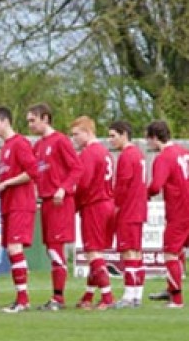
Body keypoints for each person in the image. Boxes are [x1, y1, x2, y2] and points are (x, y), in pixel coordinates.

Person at [26, 103, 83, 311]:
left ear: (45, 118)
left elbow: (77, 168)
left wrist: (63, 189)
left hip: (60, 202)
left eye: (33, 120)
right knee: (51, 248)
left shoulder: (60, 141)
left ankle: (58, 298)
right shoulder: (38, 145)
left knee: (56, 248)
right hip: (46, 202)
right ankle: (56, 297)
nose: (30, 125)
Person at [0, 106, 39, 313]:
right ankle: (20, 298)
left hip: (21, 203)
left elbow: (33, 171)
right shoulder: (6, 146)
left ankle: (23, 299)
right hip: (9, 203)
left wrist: (7, 183)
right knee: (11, 250)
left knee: (14, 248)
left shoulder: (19, 143)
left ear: (5, 121)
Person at [70, 116, 116, 310]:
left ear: (88, 132)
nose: (74, 139)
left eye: (76, 134)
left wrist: (72, 203)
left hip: (94, 205)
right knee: (96, 252)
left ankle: (107, 297)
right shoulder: (106, 153)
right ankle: (88, 295)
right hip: (108, 203)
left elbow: (83, 183)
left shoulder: (89, 153)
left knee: (93, 252)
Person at [145, 120, 189, 309]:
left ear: (155, 138)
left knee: (170, 253)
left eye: (148, 139)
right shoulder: (183, 152)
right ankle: (171, 288)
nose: (148, 144)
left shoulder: (164, 157)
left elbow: (155, 186)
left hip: (179, 211)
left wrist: (142, 195)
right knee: (178, 251)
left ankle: (177, 300)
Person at [108, 120, 147, 308]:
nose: (110, 140)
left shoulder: (126, 156)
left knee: (129, 252)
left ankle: (129, 295)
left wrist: (116, 205)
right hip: (139, 209)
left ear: (124, 134)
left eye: (113, 135)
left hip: (128, 210)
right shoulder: (139, 154)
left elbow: (122, 185)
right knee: (137, 252)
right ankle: (137, 294)